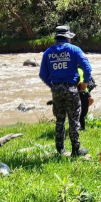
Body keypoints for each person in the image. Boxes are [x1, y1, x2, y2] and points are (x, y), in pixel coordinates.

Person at [39, 25, 91, 157]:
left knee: (60, 118)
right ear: (68, 37)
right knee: (74, 118)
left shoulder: (47, 52)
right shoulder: (74, 50)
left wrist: (53, 86)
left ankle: (60, 148)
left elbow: (43, 74)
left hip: (56, 88)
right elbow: (87, 69)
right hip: (71, 87)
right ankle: (75, 149)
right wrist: (84, 83)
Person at [77, 67, 95, 131]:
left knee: (76, 111)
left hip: (73, 93)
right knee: (83, 112)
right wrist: (89, 96)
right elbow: (82, 85)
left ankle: (76, 127)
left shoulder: (70, 69)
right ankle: (82, 128)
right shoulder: (80, 71)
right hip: (82, 93)